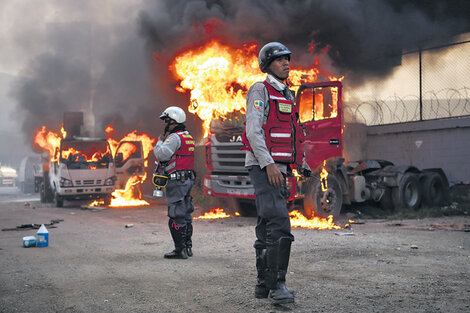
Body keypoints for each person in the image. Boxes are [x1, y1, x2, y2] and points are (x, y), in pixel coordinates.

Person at [242, 42, 306, 304]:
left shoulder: (287, 94)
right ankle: (278, 287)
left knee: (266, 222)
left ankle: (263, 285)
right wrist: (268, 164)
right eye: (280, 60)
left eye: (287, 59)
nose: (286, 63)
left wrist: (299, 163)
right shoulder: (261, 89)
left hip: (278, 166)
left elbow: (290, 134)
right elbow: (253, 131)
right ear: (267, 64)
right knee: (279, 223)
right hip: (263, 166)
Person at [154, 106, 196, 259]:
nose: (166, 125)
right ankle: (188, 247)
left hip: (177, 182)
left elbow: (162, 154)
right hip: (188, 180)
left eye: (168, 122)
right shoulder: (188, 137)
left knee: (175, 214)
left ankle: (180, 250)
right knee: (185, 214)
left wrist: (159, 141)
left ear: (175, 121)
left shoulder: (174, 138)